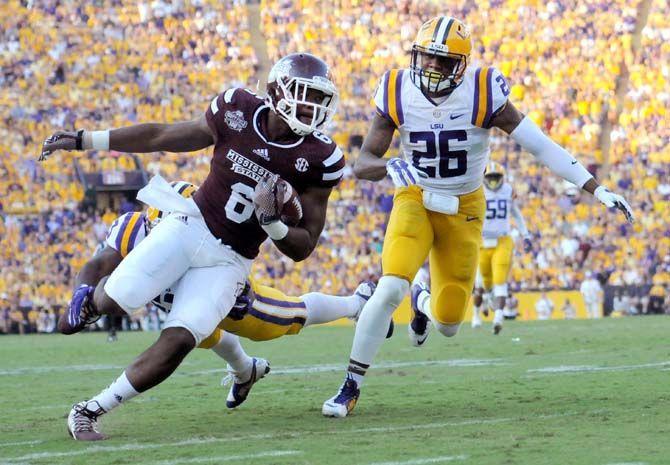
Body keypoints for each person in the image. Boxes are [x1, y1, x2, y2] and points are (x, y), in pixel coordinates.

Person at [322, 15, 635, 418]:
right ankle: (350, 386)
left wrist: (597, 188)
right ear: (415, 55)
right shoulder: (397, 88)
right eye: (427, 58)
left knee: (450, 323)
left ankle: (423, 298)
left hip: (465, 209)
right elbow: (363, 161)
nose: (433, 68)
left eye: (444, 61)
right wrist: (389, 166)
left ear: (462, 65)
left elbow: (540, 145)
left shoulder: (483, 91)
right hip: (415, 200)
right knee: (387, 290)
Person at [41, 53, 345, 440]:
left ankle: (90, 409)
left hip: (231, 259)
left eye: (320, 100)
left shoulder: (321, 157)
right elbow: (162, 136)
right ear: (275, 91)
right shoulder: (236, 108)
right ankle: (89, 300)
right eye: (305, 95)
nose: (313, 108)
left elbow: (304, 246)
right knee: (112, 302)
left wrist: (273, 225)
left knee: (182, 338)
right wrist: (87, 140)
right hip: (190, 224)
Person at [471, 161, 531, 334]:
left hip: (503, 240)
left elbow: (516, 213)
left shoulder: (508, 191)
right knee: (482, 284)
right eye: (491, 177)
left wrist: (525, 234)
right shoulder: (477, 191)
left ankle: (498, 317)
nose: (494, 180)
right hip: (482, 242)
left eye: (496, 177)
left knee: (500, 279)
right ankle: (478, 312)